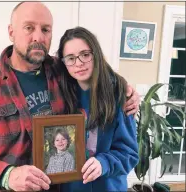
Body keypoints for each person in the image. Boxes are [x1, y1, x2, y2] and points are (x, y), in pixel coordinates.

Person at [0, 2, 140, 192]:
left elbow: (96, 72)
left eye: (45, 29)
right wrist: (8, 175)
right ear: (11, 32)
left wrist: (124, 89)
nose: (38, 37)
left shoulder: (63, 72)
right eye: (29, 28)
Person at [55, 26, 139, 192]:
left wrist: (104, 163)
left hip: (107, 187)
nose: (78, 63)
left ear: (96, 55)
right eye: (70, 58)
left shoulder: (119, 94)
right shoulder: (59, 93)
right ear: (63, 63)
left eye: (85, 55)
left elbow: (129, 154)